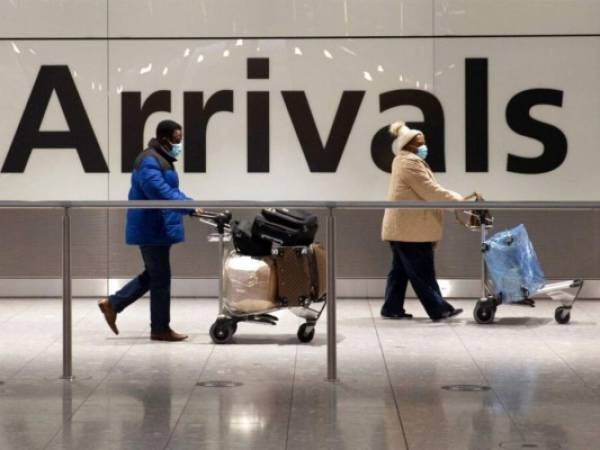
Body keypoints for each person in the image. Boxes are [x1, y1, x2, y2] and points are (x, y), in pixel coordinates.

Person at [98, 120, 200, 341]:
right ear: (164, 139)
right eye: (176, 140)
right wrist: (188, 207)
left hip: (157, 226)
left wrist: (191, 205)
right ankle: (160, 328)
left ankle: (113, 304)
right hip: (151, 227)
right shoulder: (149, 161)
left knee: (155, 275)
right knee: (160, 277)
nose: (179, 145)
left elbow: (172, 191)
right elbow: (159, 192)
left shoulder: (161, 159)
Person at [381, 121, 473, 321]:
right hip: (411, 230)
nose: (424, 146)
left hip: (404, 228)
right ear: (409, 145)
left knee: (400, 271)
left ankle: (391, 307)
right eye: (420, 143)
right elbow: (429, 190)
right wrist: (458, 200)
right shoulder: (409, 163)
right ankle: (439, 309)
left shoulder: (405, 161)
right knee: (423, 271)